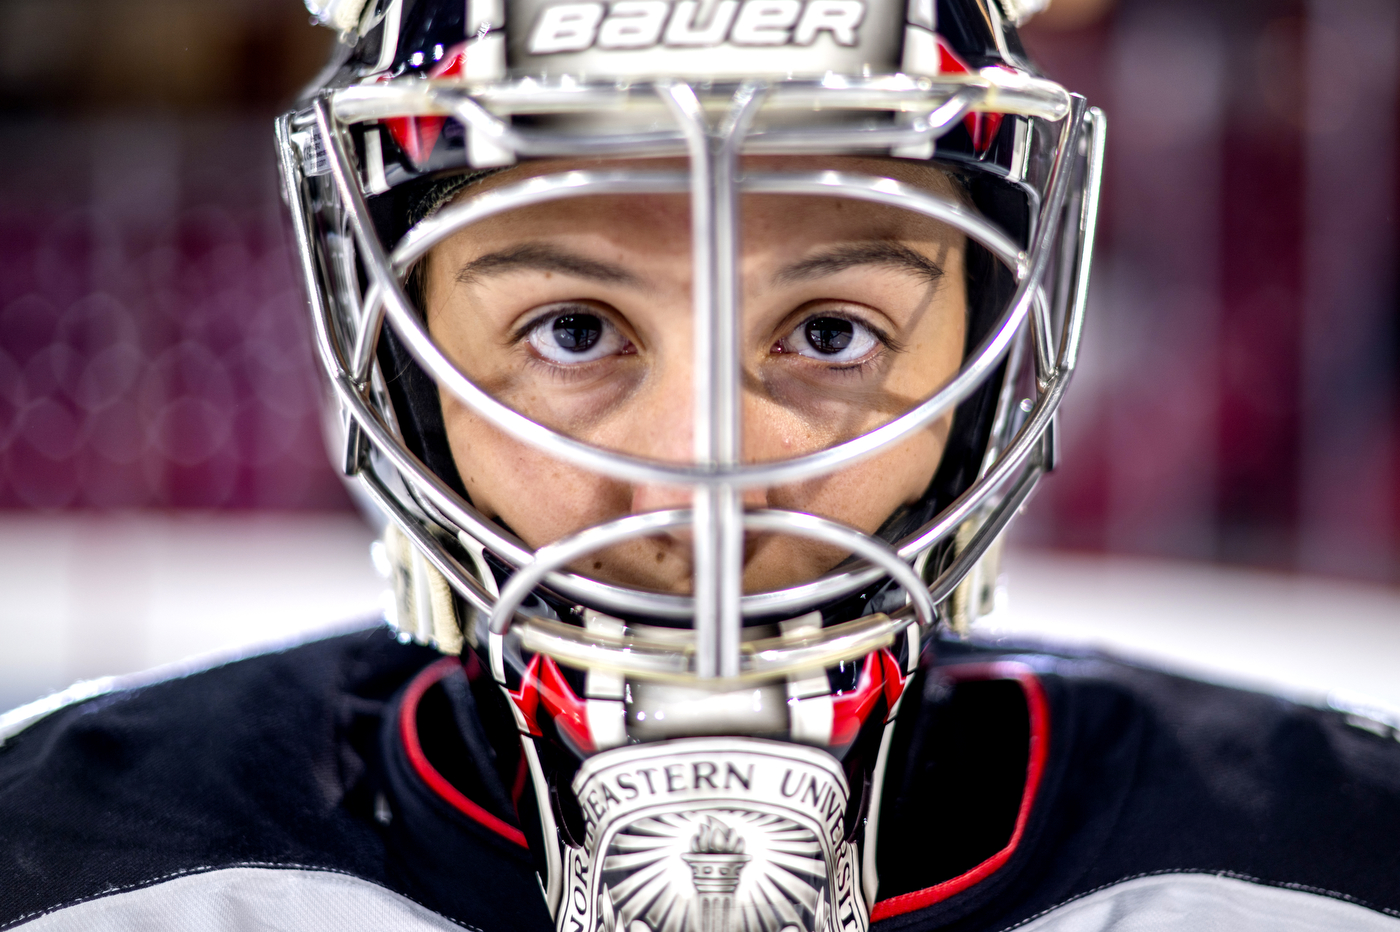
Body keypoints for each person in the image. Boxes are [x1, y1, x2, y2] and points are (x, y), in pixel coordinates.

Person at [1, 0, 1397, 930]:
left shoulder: (1336, 860)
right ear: (402, 356)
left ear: (988, 351)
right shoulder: (75, 854)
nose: (702, 474)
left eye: (832, 332)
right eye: (574, 329)